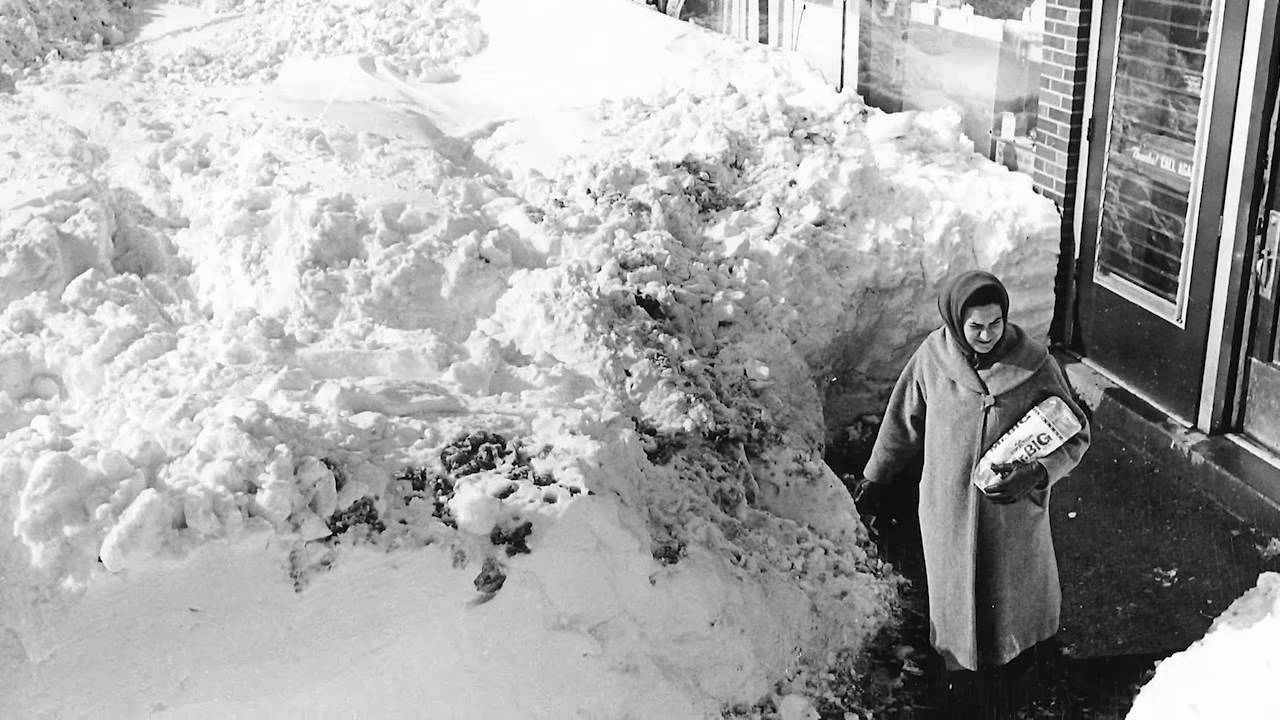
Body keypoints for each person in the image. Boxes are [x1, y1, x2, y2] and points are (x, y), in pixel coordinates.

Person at [855, 270, 1091, 673]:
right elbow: (902, 423)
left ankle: (1018, 673)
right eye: (976, 326)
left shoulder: (1034, 364)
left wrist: (1038, 473)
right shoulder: (932, 358)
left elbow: (1075, 434)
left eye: (995, 323)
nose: (987, 335)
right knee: (955, 603)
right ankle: (959, 683)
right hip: (947, 508)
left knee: (1011, 601)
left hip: (1011, 513)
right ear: (955, 322)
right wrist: (875, 477)